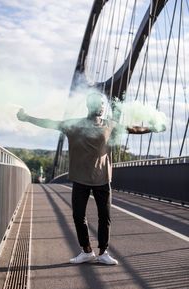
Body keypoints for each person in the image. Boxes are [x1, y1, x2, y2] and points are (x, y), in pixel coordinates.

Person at [17, 93, 164, 265]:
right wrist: (26, 117)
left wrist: (153, 128)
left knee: (105, 217)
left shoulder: (110, 125)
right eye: (97, 104)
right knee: (79, 216)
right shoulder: (74, 125)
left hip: (103, 178)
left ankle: (103, 253)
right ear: (89, 106)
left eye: (103, 104)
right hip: (80, 179)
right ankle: (86, 251)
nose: (101, 107)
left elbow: (133, 129)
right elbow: (49, 122)